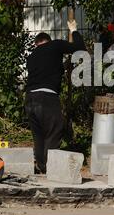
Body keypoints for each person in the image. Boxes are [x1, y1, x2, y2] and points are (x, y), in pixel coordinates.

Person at [25, 20, 86, 174]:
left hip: (30, 98)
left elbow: (49, 68)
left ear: (36, 44)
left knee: (38, 135)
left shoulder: (31, 57)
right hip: (47, 97)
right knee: (55, 130)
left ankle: (41, 165)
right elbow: (79, 48)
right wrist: (74, 30)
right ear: (48, 41)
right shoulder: (55, 46)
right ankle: (51, 166)